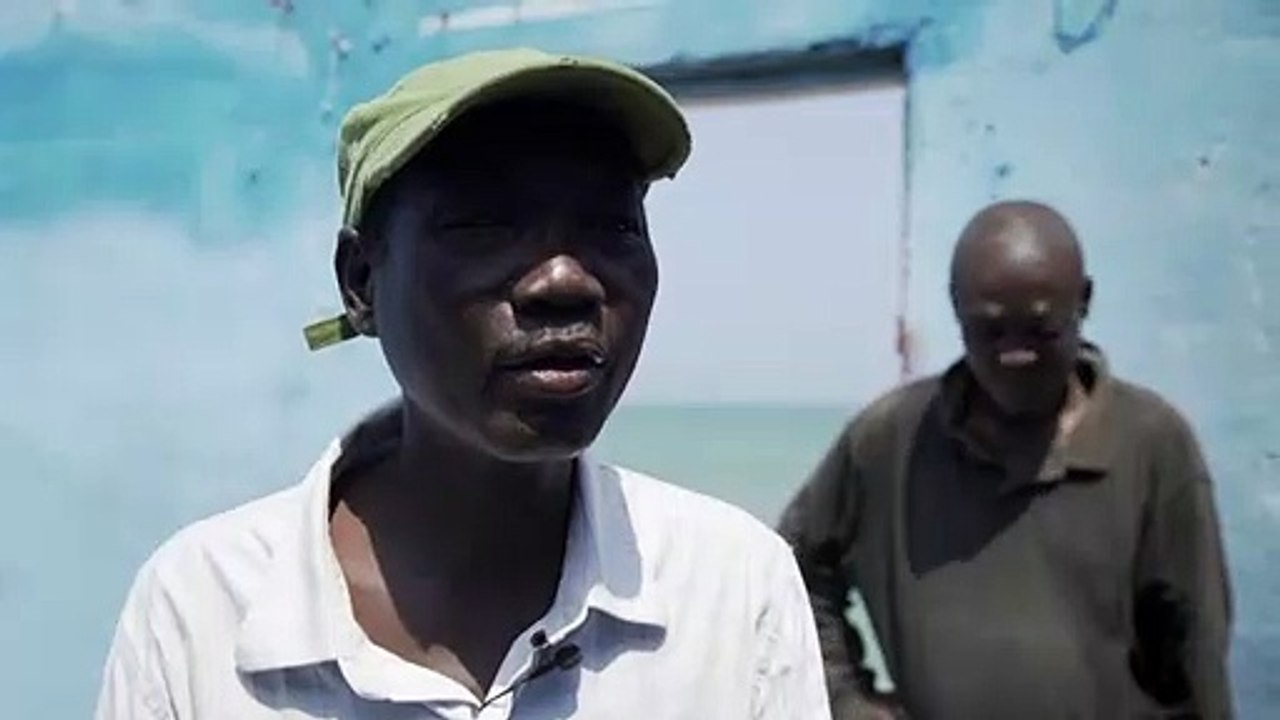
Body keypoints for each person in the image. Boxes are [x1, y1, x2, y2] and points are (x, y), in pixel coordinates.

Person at [96, 48, 830, 720]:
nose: (565, 281)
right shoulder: (203, 612)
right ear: (361, 282)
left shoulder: (731, 591)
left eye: (612, 228)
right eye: (483, 226)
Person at [779, 200, 1233, 719]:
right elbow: (789, 569)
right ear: (956, 308)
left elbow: (1196, 648)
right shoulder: (891, 441)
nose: (1015, 353)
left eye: (1040, 330)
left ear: (1082, 301)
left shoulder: (1151, 444)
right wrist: (845, 698)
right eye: (990, 331)